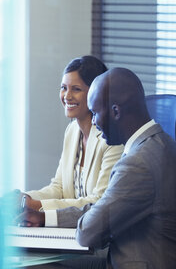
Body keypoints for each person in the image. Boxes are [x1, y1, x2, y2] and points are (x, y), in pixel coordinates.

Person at [20, 68, 176, 268]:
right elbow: (102, 210)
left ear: (115, 111)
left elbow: (88, 233)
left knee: (29, 263)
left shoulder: (139, 163)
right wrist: (45, 217)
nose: (93, 121)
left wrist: (87, 223)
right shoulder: (159, 145)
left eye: (95, 112)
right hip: (129, 258)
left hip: (135, 263)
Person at [20, 56, 123, 217]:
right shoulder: (72, 130)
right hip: (70, 229)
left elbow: (99, 201)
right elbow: (59, 188)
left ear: (96, 93)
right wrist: (25, 198)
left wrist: (37, 206)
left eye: (76, 89)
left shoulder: (112, 139)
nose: (67, 96)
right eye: (63, 88)